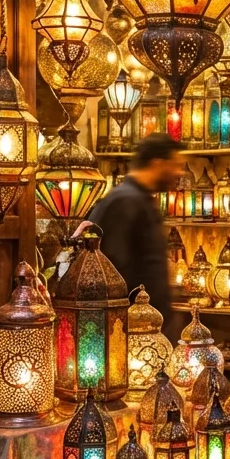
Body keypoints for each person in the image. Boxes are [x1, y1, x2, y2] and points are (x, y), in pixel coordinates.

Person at [88, 133, 183, 321]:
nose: (179, 173)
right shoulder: (126, 201)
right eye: (175, 166)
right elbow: (115, 269)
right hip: (132, 324)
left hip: (148, 321)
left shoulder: (140, 200)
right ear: (157, 163)